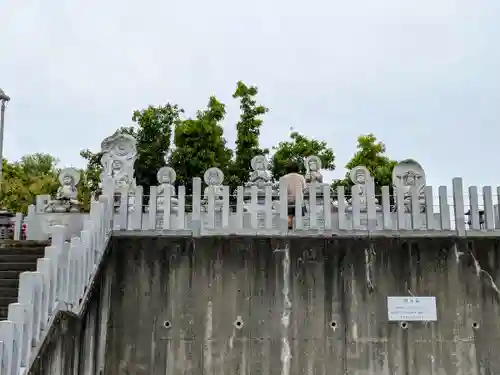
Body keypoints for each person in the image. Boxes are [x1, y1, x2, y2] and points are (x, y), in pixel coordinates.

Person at [281, 161, 307, 229]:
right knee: (299, 217)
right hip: (299, 199)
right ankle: (298, 231)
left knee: (289, 217)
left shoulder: (284, 177)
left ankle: (289, 230)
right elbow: (304, 188)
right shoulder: (301, 177)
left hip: (289, 200)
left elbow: (282, 190)